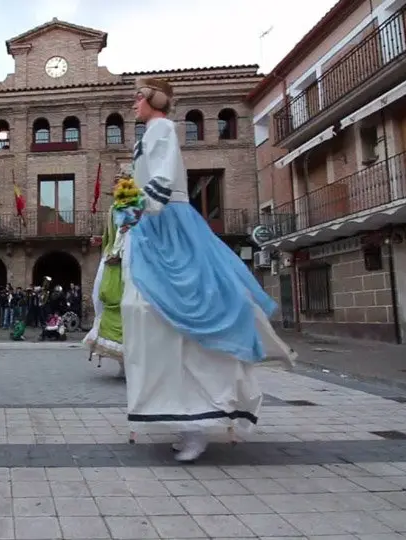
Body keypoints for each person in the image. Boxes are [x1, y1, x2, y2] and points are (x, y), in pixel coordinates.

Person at [120, 78, 297, 462]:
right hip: (153, 227)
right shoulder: (149, 133)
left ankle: (201, 418)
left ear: (155, 99)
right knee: (154, 319)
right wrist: (130, 209)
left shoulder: (162, 127)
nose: (133, 102)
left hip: (169, 225)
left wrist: (138, 207)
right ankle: (188, 419)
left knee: (175, 316)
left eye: (138, 95)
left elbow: (162, 180)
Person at [83, 172, 131, 377]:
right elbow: (110, 236)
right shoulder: (112, 210)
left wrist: (121, 255)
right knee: (101, 298)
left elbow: (132, 234)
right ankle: (121, 360)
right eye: (115, 184)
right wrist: (99, 240)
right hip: (109, 258)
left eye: (120, 184)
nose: (116, 188)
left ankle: (129, 361)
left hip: (126, 260)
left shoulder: (133, 210)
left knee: (124, 303)